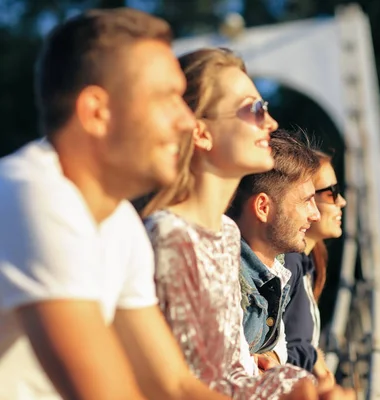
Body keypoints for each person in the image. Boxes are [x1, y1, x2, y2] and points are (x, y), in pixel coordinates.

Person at [0, 9, 237, 400]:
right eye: (168, 98)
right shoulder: (33, 195)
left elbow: (173, 386)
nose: (186, 120)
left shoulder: (120, 222)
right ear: (96, 113)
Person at [138, 48, 352, 400]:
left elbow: (233, 374)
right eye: (254, 109)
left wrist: (295, 387)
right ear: (201, 133)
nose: (270, 123)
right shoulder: (170, 237)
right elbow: (185, 388)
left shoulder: (225, 235)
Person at [226, 130, 322, 368]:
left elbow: (278, 344)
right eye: (306, 201)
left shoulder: (275, 272)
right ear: (262, 207)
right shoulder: (226, 277)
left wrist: (271, 362)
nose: (316, 214)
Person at [283, 149, 347, 379]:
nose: (342, 201)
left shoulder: (304, 265)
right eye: (332, 193)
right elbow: (274, 352)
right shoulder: (288, 264)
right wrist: (314, 357)